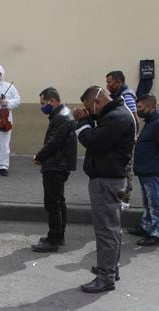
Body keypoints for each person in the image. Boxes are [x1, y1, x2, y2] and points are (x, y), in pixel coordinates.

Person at [74, 86, 135, 293]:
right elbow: (100, 137)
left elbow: (93, 141)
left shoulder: (117, 118)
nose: (89, 111)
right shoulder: (116, 115)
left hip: (106, 180)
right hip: (110, 178)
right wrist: (89, 122)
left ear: (97, 101)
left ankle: (105, 277)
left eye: (88, 107)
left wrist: (82, 123)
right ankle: (110, 267)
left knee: (105, 230)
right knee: (112, 228)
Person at [31, 87, 77, 252]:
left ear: (52, 101)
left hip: (56, 165)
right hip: (60, 164)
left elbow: (53, 143)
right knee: (58, 201)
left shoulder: (62, 117)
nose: (42, 107)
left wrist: (39, 157)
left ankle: (54, 239)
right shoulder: (63, 114)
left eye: (43, 103)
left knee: (53, 203)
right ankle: (58, 235)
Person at [127, 94, 159, 246]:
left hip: (152, 171)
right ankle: (146, 226)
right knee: (147, 202)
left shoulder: (157, 123)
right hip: (145, 171)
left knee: (155, 203)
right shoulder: (150, 122)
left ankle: (155, 233)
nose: (137, 110)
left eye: (140, 107)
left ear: (151, 106)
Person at [106, 70, 139, 209]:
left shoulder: (126, 97)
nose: (107, 85)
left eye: (109, 82)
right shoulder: (116, 96)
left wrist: (133, 137)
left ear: (118, 82)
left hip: (125, 141)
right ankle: (118, 195)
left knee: (127, 168)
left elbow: (134, 119)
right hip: (118, 140)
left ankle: (125, 199)